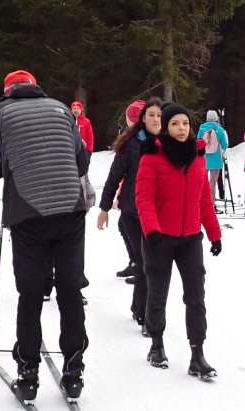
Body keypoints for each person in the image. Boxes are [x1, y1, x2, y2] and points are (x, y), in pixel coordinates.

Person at [0, 70, 90, 403]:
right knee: (69, 290)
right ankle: (74, 372)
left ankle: (28, 374)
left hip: (27, 212)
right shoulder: (60, 108)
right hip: (70, 207)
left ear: (8, 91)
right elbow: (81, 161)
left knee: (30, 295)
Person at [135, 102, 222, 377]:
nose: (181, 128)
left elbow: (204, 200)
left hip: (190, 239)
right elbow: (144, 198)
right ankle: (157, 345)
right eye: (175, 124)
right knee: (157, 294)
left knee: (196, 297)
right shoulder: (152, 157)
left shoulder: (198, 158)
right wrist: (151, 230)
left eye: (185, 123)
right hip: (159, 238)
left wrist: (214, 234)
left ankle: (197, 353)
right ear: (166, 127)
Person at [98, 97, 163, 334]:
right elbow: (115, 175)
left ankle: (140, 307)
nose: (156, 119)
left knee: (152, 264)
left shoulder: (167, 143)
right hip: (133, 213)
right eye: (152, 115)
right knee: (147, 262)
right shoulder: (132, 143)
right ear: (142, 119)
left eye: (159, 115)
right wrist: (104, 208)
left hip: (158, 214)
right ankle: (145, 314)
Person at [196, 109, 229, 202]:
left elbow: (198, 142)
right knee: (212, 183)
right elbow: (225, 145)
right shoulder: (219, 130)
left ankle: (201, 201)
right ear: (216, 119)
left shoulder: (202, 128)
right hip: (216, 160)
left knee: (203, 182)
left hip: (204, 160)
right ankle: (211, 203)